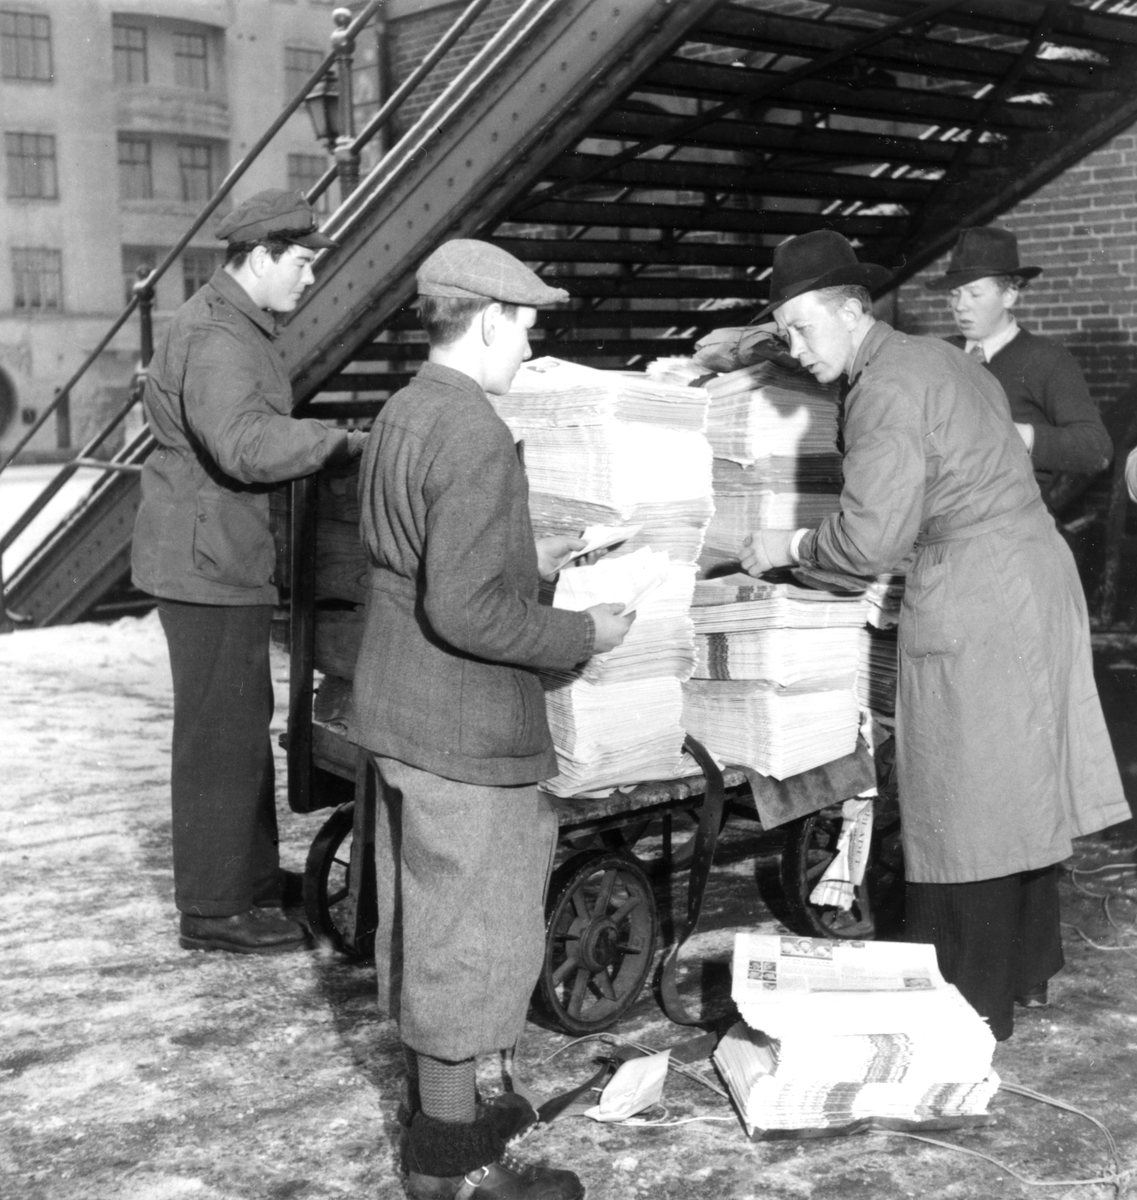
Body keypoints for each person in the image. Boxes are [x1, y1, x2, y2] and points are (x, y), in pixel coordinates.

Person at [740, 229, 1128, 1042]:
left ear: (852, 312)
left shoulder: (882, 388)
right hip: (1033, 570)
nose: (794, 347)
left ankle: (963, 1001)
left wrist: (788, 549)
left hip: (978, 591)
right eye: (783, 333)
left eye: (804, 328)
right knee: (1017, 781)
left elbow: (867, 540)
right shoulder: (941, 359)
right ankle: (1023, 967)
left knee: (963, 791)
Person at [351, 239, 633, 1200]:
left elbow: (418, 558)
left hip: (398, 706)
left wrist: (529, 551)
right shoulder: (472, 430)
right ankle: (454, 1166)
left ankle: (449, 1119)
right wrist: (579, 629)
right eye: (525, 324)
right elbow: (465, 610)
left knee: (424, 923)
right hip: (465, 727)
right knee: (470, 940)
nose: (531, 341)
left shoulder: (405, 408)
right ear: (485, 320)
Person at [132, 189, 366, 955]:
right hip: (205, 561)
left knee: (235, 725)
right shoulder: (221, 336)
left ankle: (251, 882)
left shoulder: (233, 322)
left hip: (214, 551)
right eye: (299, 263)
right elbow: (245, 446)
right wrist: (338, 441)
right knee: (218, 733)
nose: (307, 280)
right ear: (261, 256)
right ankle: (215, 907)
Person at [927, 225, 1112, 515]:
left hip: (1015, 530)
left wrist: (1020, 435)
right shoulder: (939, 355)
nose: (960, 306)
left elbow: (1096, 449)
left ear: (1010, 295)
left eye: (974, 294)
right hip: (940, 524)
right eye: (955, 293)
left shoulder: (1047, 359)